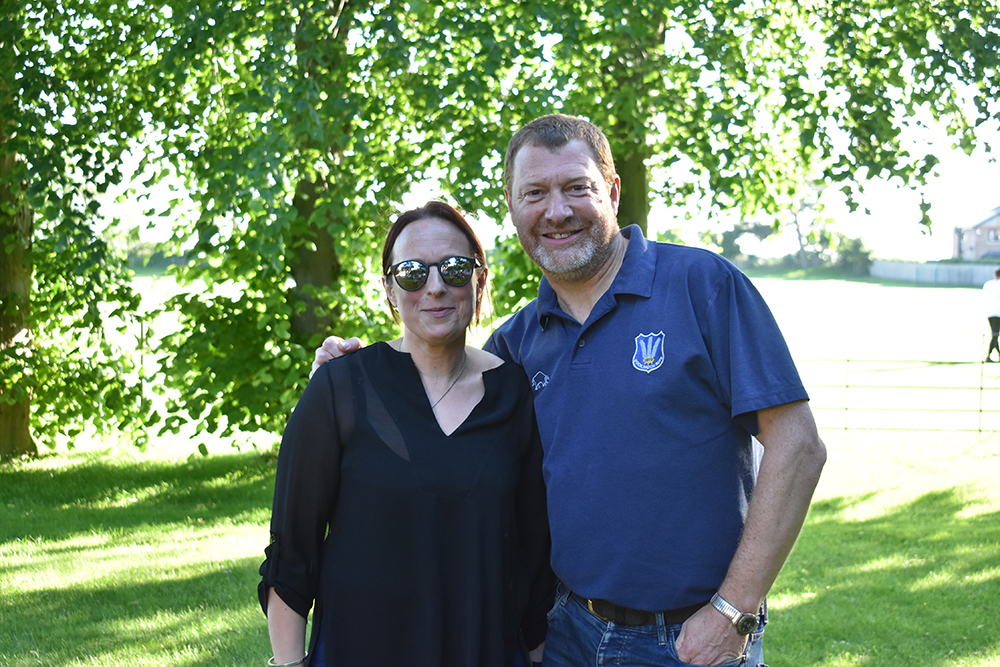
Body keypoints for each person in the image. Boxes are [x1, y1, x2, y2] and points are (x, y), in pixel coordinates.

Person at [315, 114, 827, 667]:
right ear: (512, 210)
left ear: (611, 191)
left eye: (575, 188)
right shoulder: (514, 344)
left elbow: (798, 445)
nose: (556, 212)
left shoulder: (702, 285)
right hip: (562, 635)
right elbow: (435, 414)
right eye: (534, 193)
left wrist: (732, 611)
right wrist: (356, 372)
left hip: (687, 643)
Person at [261, 201, 554, 667]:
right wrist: (289, 664)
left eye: (455, 269)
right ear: (389, 290)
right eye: (412, 272)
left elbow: (533, 559)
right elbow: (292, 555)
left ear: (478, 281)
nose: (435, 288)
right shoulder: (340, 388)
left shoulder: (514, 395)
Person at [983, 266, 1000, 362]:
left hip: (989, 312)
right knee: (995, 334)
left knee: (995, 334)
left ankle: (997, 354)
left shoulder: (987, 284)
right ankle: (988, 356)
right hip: (998, 313)